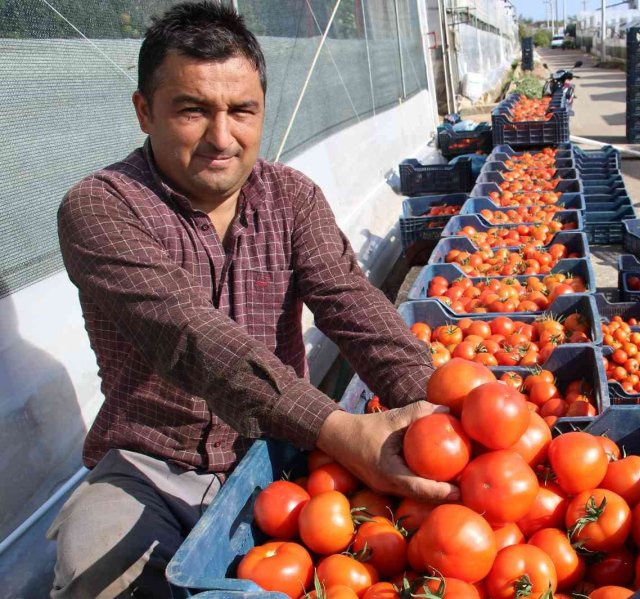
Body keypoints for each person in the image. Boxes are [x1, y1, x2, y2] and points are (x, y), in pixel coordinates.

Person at [49, 3, 453, 597]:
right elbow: (191, 337)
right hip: (152, 464)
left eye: (242, 111)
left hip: (279, 449)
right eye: (192, 110)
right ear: (144, 111)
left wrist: (436, 410)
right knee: (93, 565)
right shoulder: (101, 207)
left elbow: (351, 304)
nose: (222, 137)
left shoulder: (290, 197)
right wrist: (337, 428)